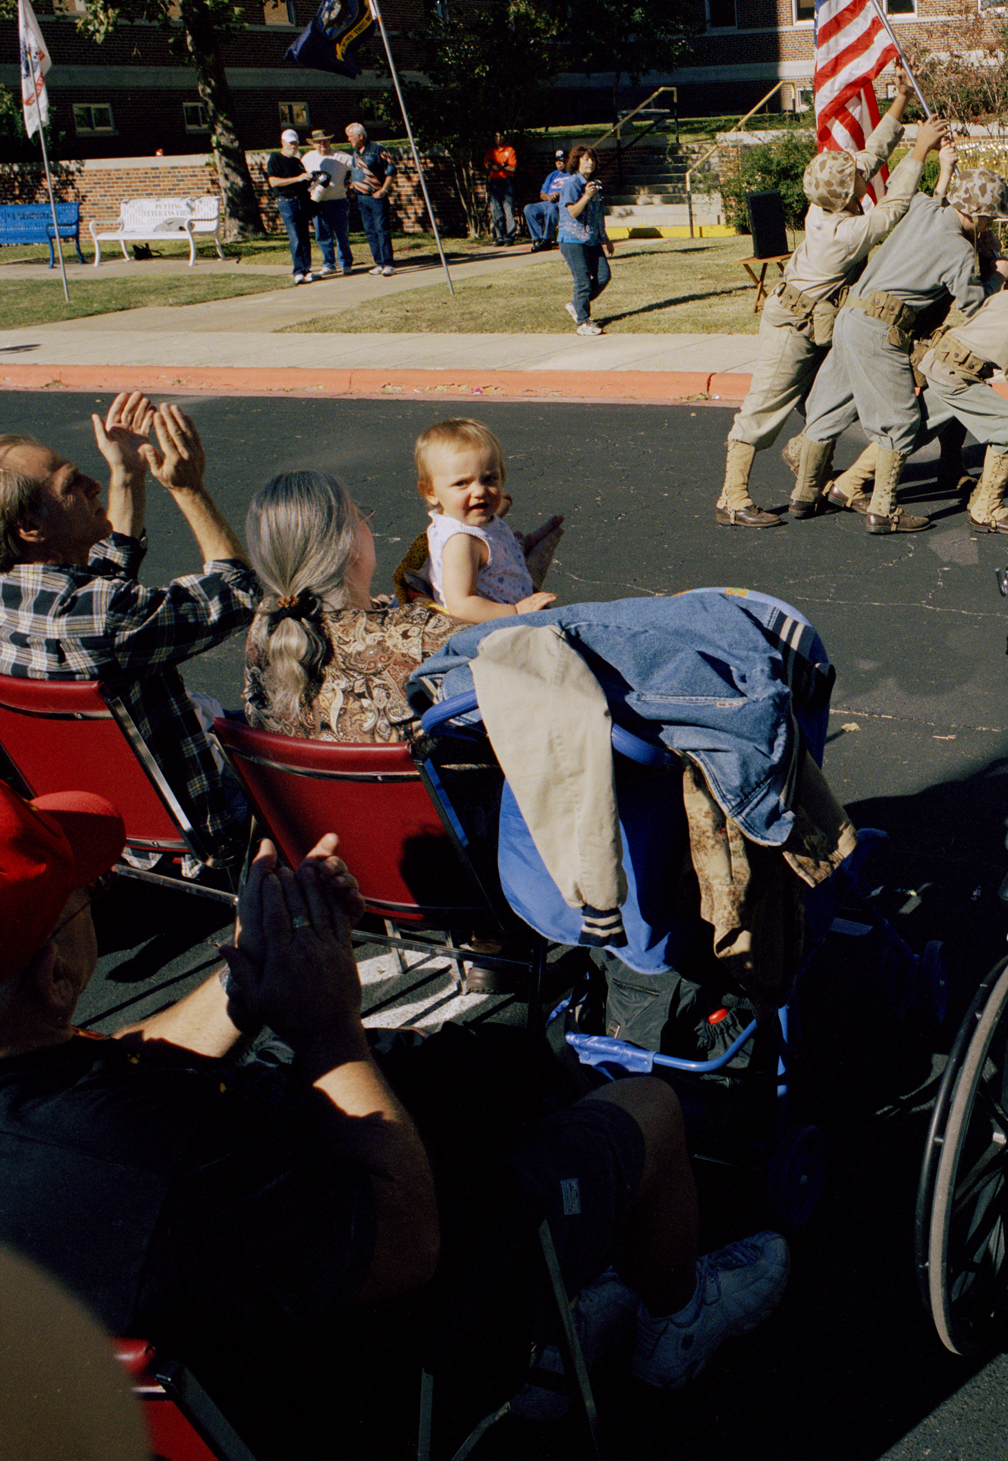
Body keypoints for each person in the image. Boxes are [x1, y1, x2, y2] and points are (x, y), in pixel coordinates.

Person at [0, 799, 793, 1454]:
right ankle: (676, 1325)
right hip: (372, 1371)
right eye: (84, 895)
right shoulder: (150, 1165)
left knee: (472, 1077)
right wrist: (329, 1030)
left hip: (167, 1405)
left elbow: (128, 1062)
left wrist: (246, 979)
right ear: (58, 973)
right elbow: (407, 1247)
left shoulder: (47, 1099)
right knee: (643, 1110)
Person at [0, 397, 257, 868]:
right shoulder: (105, 617)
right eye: (71, 485)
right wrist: (188, 489)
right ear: (31, 527)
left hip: (108, 825)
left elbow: (103, 575)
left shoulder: (19, 599)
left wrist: (128, 475)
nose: (92, 482)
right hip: (203, 823)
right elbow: (237, 592)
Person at [713, 81, 944, 529]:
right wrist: (919, 151)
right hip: (793, 326)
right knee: (763, 408)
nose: (864, 172)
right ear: (848, 194)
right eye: (857, 176)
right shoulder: (843, 236)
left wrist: (900, 99)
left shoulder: (823, 203)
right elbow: (894, 207)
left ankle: (818, 474)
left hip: (821, 321)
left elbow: (872, 153)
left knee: (830, 403)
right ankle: (732, 498)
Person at [790, 149, 1008, 533]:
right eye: (990, 219)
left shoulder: (924, 208)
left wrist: (943, 172)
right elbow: (973, 304)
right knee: (900, 423)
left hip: (850, 317)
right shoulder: (957, 252)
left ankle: (804, 496)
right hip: (880, 330)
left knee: (827, 411)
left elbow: (936, 197)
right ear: (980, 216)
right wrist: (997, 277)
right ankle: (883, 509)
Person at [825, 268, 1008, 536]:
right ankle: (987, 509)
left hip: (939, 363)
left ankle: (848, 484)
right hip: (958, 377)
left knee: (914, 428)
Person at [243, 470, 467, 743]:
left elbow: (356, 621)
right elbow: (516, 642)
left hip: (307, 785)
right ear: (348, 545)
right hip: (433, 784)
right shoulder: (417, 634)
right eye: (358, 516)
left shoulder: (267, 626)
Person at [414, 418, 562, 624]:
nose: (479, 491)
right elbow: (461, 605)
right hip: (489, 629)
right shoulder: (461, 541)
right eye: (461, 483)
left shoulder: (471, 521)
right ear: (430, 492)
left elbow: (487, 539)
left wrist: (514, 544)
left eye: (489, 479)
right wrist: (516, 611)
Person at [557, 147, 612, 335]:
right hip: (572, 239)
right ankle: (583, 323)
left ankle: (576, 305)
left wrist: (605, 237)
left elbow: (597, 213)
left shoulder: (595, 184)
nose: (590, 162)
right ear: (577, 162)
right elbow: (572, 212)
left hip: (591, 238)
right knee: (583, 281)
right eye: (586, 159)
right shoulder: (572, 184)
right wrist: (586, 196)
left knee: (603, 275)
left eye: (593, 160)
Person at [344, 121, 396, 277]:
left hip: (376, 197)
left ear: (360, 136)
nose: (348, 139)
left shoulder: (377, 149)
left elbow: (391, 171)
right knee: (370, 231)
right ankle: (379, 262)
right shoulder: (356, 153)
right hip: (362, 199)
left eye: (350, 136)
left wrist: (383, 190)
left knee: (382, 229)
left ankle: (388, 263)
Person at [303, 129, 354, 277]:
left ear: (330, 142)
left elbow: (359, 169)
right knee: (322, 234)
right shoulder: (307, 158)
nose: (322, 144)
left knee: (342, 234)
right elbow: (303, 178)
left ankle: (345, 263)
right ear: (313, 144)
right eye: (318, 142)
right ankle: (329, 264)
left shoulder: (342, 157)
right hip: (318, 202)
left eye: (325, 141)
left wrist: (351, 184)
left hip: (338, 200)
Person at [266, 127, 313, 285]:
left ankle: (307, 269)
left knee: (305, 236)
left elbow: (303, 181)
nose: (294, 146)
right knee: (295, 237)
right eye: (291, 143)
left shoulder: (296, 161)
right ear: (283, 142)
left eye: (296, 143)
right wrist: (297, 179)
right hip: (287, 201)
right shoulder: (275, 159)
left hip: (302, 200)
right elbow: (274, 182)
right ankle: (298, 271)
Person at [525, 148, 570, 250]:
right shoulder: (552, 175)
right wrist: (548, 197)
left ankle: (547, 239)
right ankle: (540, 239)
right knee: (529, 209)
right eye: (557, 160)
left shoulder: (572, 174)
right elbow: (542, 194)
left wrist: (559, 194)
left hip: (562, 202)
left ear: (567, 161)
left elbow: (573, 191)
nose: (559, 163)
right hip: (548, 201)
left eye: (561, 160)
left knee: (552, 210)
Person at [483, 131, 519, 245]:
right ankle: (500, 236)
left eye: (501, 136)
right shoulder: (490, 152)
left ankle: (510, 236)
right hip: (494, 181)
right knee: (496, 209)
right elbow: (489, 168)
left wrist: (496, 166)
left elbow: (513, 168)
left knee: (508, 209)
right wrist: (503, 165)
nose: (499, 138)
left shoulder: (510, 150)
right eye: (496, 136)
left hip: (507, 181)